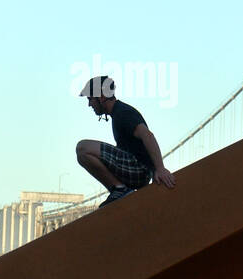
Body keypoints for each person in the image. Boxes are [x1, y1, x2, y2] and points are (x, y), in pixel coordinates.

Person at [76, 75, 177, 204]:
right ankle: (118, 191)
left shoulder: (123, 113)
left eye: (90, 99)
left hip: (139, 170)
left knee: (83, 148)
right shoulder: (117, 114)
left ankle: (120, 189)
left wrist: (160, 168)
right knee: (83, 154)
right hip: (140, 173)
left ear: (101, 96)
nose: (89, 104)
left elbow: (147, 135)